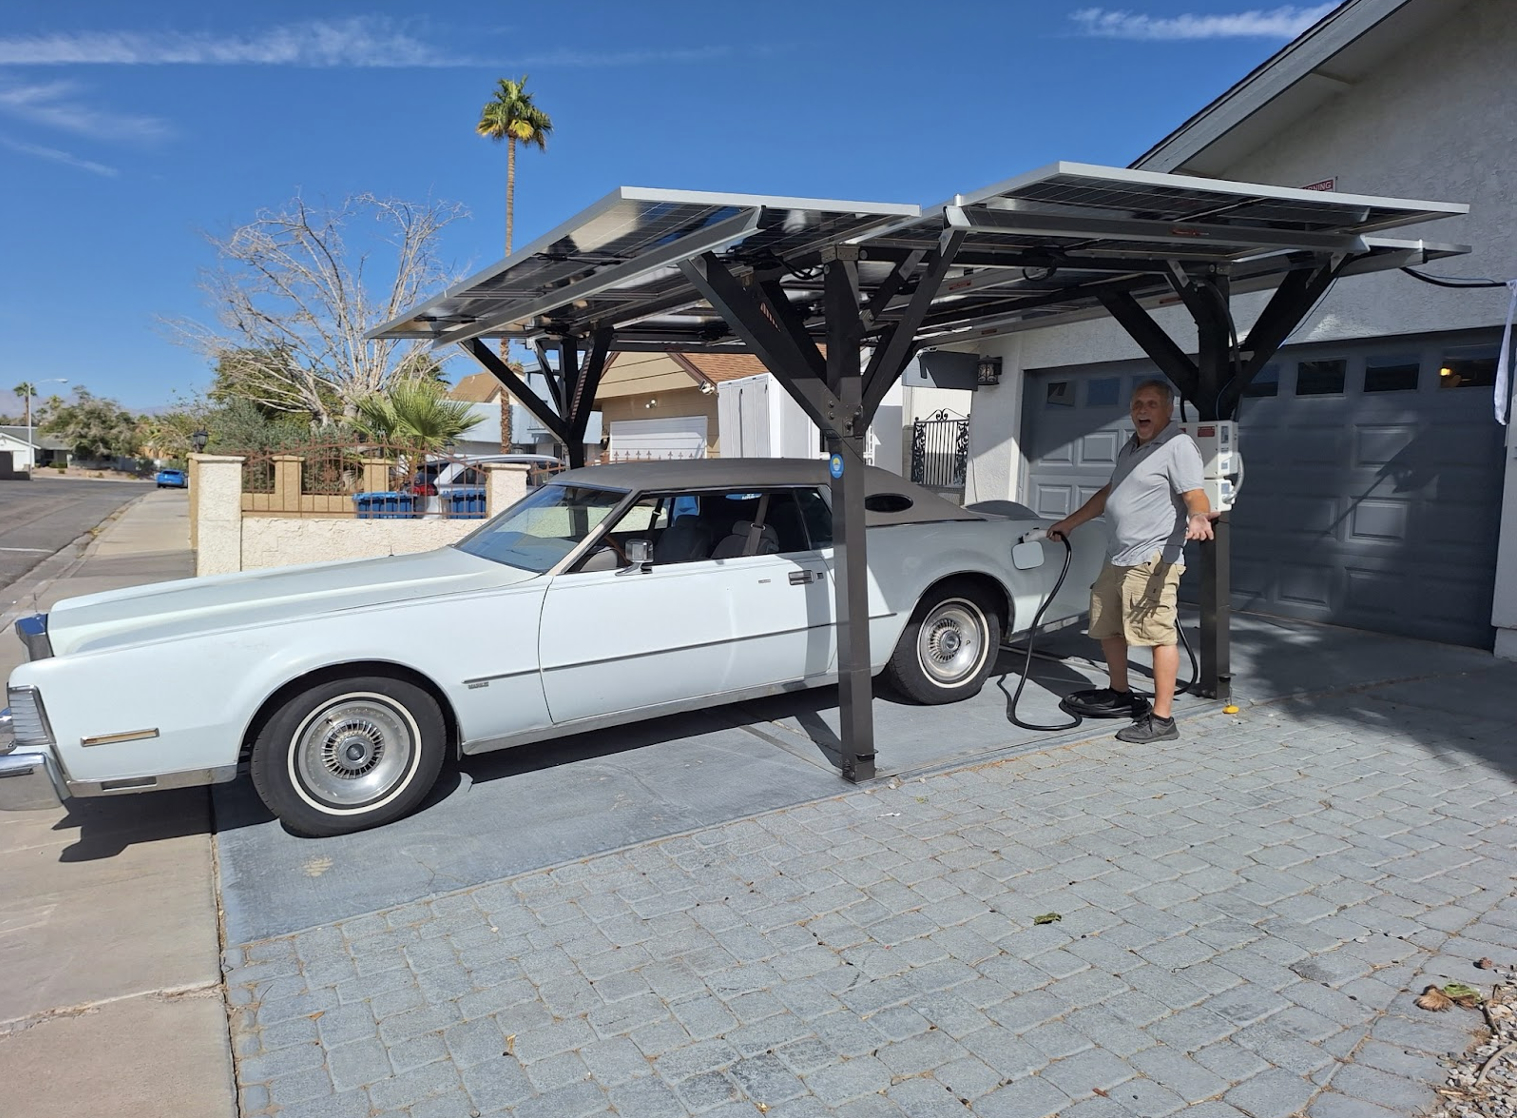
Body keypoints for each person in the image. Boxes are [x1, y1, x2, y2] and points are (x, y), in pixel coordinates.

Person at [1049, 378, 1214, 743]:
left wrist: (1199, 516)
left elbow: (1195, 494)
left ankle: (1162, 719)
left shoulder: (1176, 445)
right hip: (1117, 557)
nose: (1142, 409)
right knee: (1107, 627)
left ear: (1168, 410)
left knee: (1158, 636)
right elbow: (1110, 492)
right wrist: (1070, 523)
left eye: (1152, 403)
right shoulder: (1131, 447)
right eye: (1138, 403)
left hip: (1152, 560)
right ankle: (1121, 693)